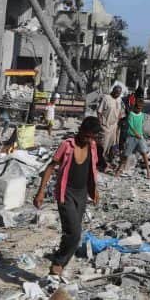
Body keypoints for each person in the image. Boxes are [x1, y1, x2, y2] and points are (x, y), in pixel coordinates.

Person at [33, 117, 100, 276]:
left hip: (82, 193)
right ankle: (58, 263)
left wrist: (95, 190)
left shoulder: (92, 146)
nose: (89, 140)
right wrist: (40, 192)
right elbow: (50, 167)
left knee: (71, 231)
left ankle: (60, 258)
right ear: (81, 130)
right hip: (66, 193)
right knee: (75, 233)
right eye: (86, 136)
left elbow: (93, 170)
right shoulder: (67, 145)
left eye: (92, 137)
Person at [113, 98, 150, 179]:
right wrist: (136, 134)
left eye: (141, 108)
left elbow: (141, 126)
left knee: (144, 153)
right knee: (126, 155)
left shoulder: (142, 115)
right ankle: (118, 170)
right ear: (135, 107)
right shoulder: (131, 114)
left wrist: (141, 135)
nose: (139, 109)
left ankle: (148, 171)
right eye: (138, 108)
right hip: (131, 137)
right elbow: (131, 125)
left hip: (140, 137)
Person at [95, 85, 124, 170]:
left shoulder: (119, 99)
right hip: (105, 126)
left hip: (114, 126)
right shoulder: (106, 98)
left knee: (112, 145)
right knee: (103, 145)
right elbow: (99, 111)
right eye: (117, 92)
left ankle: (107, 161)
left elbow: (120, 112)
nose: (118, 94)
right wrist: (101, 124)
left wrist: (118, 122)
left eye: (119, 93)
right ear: (113, 91)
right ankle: (98, 162)